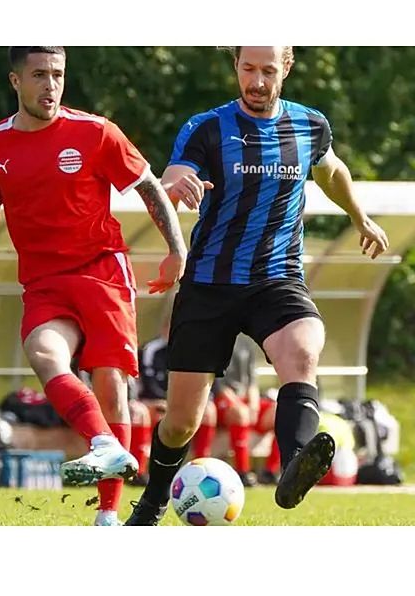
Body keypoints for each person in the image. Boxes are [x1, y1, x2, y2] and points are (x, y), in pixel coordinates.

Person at [126, 46, 389, 525]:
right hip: (209, 283)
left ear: (286, 68)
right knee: (182, 419)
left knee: (303, 348)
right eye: (248, 69)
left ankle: (294, 464)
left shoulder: (310, 125)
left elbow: (331, 171)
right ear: (236, 67)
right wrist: (175, 186)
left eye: (268, 71)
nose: (258, 81)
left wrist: (359, 216)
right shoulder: (206, 127)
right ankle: (153, 499)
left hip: (276, 276)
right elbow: (175, 175)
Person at [0, 47, 186, 526]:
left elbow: (150, 187)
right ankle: (105, 445)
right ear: (15, 81)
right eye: (39, 75)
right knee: (44, 354)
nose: (50, 85)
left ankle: (108, 516)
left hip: (102, 270)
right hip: (44, 282)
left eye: (58, 75)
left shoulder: (95, 132)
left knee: (111, 384)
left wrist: (177, 250)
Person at [136, 296, 218, 477]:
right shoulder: (151, 350)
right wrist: (166, 401)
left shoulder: (196, 350)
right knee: (155, 413)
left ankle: (202, 467)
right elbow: (148, 383)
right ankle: (142, 472)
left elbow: (209, 383)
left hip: (178, 405)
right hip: (151, 401)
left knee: (208, 410)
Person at [208, 334, 280, 487]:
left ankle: (271, 472)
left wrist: (253, 404)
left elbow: (252, 379)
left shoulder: (246, 342)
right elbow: (218, 384)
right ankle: (242, 472)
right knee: (240, 413)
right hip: (222, 400)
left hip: (245, 400)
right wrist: (239, 404)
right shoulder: (214, 340)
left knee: (279, 412)